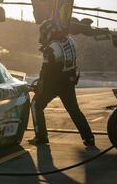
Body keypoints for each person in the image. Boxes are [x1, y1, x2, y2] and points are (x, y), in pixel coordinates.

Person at [29, 19, 95, 147]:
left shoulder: (51, 48)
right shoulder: (71, 41)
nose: (42, 36)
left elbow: (46, 71)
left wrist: (40, 85)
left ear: (49, 32)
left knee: (36, 105)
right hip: (68, 82)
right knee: (74, 110)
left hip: (54, 84)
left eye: (44, 32)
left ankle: (41, 137)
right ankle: (89, 138)